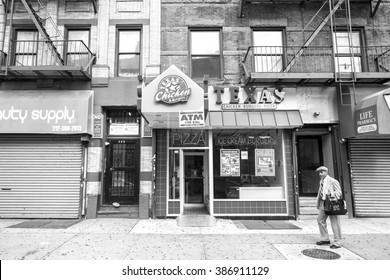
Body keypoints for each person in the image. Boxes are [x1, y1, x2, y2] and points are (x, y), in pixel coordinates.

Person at [315, 166, 343, 249]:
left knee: (335, 223)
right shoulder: (321, 181)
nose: (320, 174)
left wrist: (330, 193)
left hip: (332, 204)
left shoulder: (333, 181)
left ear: (326, 172)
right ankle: (325, 239)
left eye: (322, 172)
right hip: (323, 203)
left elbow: (339, 192)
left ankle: (337, 242)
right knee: (320, 220)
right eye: (319, 172)